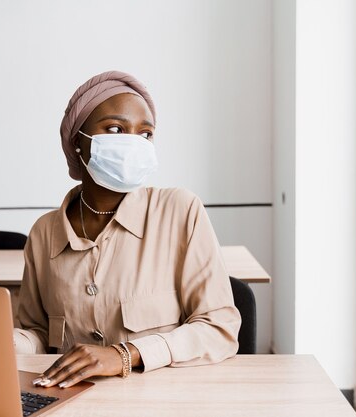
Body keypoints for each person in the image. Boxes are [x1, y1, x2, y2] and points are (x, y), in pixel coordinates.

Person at [13, 71, 241, 389]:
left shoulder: (180, 211)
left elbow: (220, 328)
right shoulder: (44, 233)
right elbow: (37, 334)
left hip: (159, 402)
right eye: (117, 129)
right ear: (78, 140)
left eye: (145, 134)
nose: (134, 142)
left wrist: (126, 354)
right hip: (71, 402)